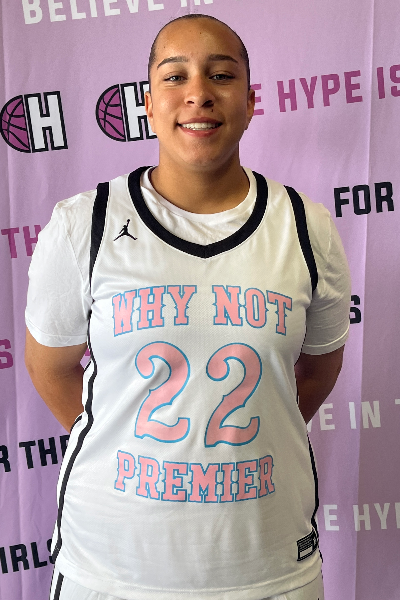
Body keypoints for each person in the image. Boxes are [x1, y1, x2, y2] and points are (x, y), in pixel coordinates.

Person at [25, 14, 351, 600]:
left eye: (221, 75)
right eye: (175, 76)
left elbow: (317, 371)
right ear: (149, 104)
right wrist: (134, 446)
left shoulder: (306, 228)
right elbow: (50, 368)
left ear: (250, 102)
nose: (198, 92)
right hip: (110, 567)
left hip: (268, 566)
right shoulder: (83, 225)